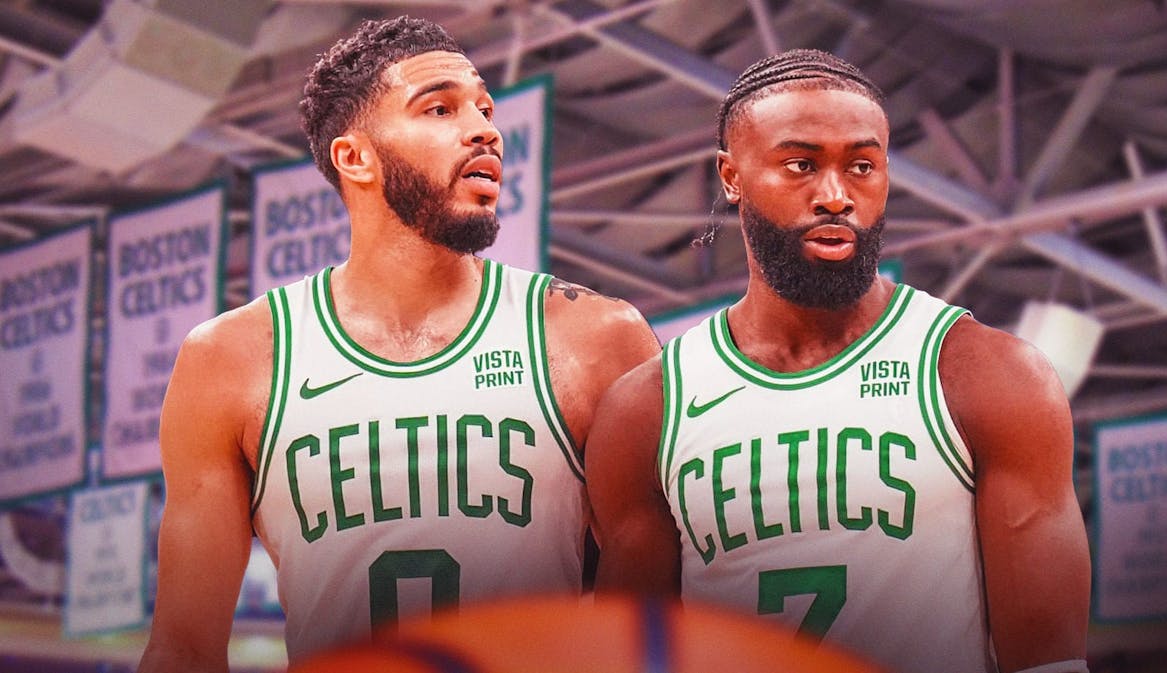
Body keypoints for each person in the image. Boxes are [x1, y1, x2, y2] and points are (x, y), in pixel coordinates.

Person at [137, 16, 660, 672]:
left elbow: (655, 623)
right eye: (440, 108)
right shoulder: (231, 358)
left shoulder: (596, 338)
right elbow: (183, 646)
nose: (484, 129)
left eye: (485, 108)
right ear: (355, 157)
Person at [585, 49, 1091, 673]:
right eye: (801, 164)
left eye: (861, 166)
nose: (835, 196)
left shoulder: (985, 374)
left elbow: (1048, 663)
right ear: (731, 175)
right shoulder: (647, 408)